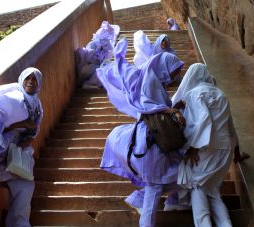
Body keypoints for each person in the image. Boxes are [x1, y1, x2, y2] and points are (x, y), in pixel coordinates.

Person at [97, 38, 188, 227]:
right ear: (164, 66)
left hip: (152, 143)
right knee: (157, 187)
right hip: (151, 144)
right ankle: (147, 207)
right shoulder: (151, 82)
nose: (177, 73)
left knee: (174, 176)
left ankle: (146, 199)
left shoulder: (154, 80)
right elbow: (147, 106)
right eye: (175, 68)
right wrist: (170, 110)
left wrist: (172, 107)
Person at [171, 63, 237, 227]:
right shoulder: (221, 94)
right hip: (225, 148)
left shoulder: (194, 94)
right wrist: (236, 152)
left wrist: (193, 146)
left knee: (197, 186)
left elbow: (203, 120)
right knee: (212, 192)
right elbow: (230, 126)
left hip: (207, 147)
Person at [0, 67, 43, 227]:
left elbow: (34, 131)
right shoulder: (14, 97)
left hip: (20, 149)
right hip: (5, 145)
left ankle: (20, 224)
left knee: (26, 184)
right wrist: (23, 124)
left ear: (39, 83)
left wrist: (26, 140)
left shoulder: (37, 106)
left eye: (34, 79)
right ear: (22, 79)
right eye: (27, 78)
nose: (30, 81)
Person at [75, 21, 120, 88]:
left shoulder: (108, 51)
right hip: (85, 67)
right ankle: (86, 83)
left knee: (105, 70)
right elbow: (88, 55)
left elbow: (104, 62)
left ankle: (89, 83)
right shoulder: (94, 44)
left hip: (92, 70)